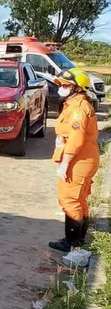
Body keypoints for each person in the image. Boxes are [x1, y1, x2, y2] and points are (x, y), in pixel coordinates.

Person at [49, 67, 100, 252]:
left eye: (65, 85)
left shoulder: (78, 108)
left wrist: (65, 163)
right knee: (80, 199)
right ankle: (78, 239)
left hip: (79, 159)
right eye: (61, 84)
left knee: (69, 199)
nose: (61, 88)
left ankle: (71, 241)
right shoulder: (75, 104)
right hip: (84, 157)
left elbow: (76, 140)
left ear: (78, 88)